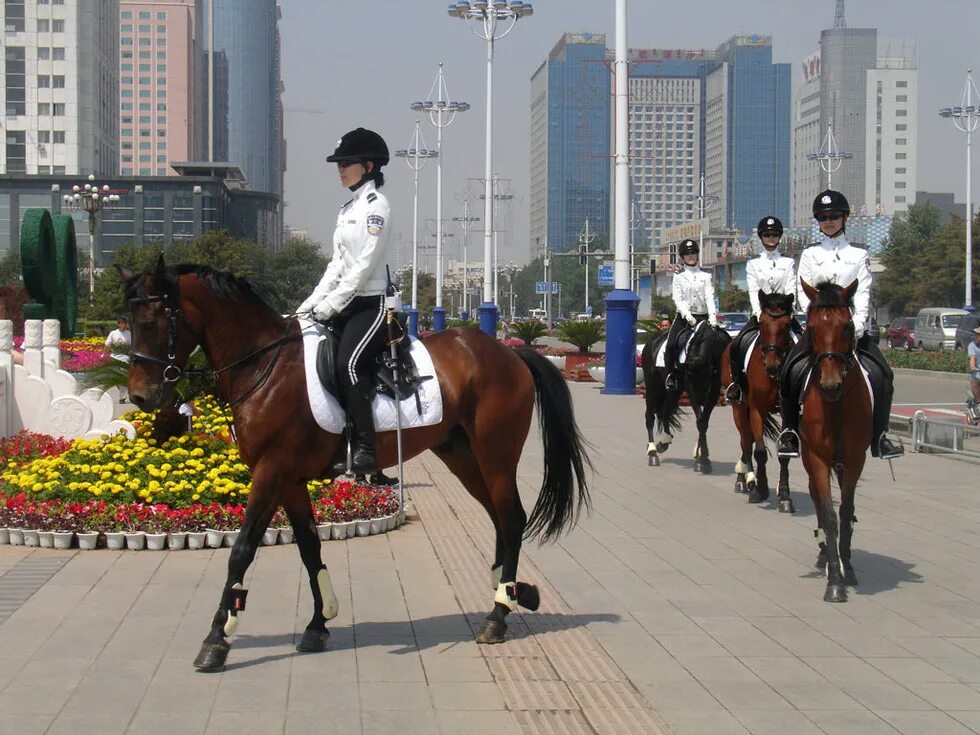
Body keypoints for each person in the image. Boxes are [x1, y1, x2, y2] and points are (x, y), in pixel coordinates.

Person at [776, 189, 903, 460]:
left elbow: (864, 291)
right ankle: (789, 432)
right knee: (789, 372)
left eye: (834, 216)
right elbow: (802, 292)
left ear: (844, 218)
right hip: (819, 331)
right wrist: (813, 321)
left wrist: (856, 324)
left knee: (883, 375)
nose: (829, 221)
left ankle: (880, 435)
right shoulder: (810, 255)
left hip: (850, 330)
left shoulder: (858, 254)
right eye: (823, 217)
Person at [298, 127, 392, 476]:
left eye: (346, 163)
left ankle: (366, 449)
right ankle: (336, 441)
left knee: (347, 366)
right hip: (344, 304)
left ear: (368, 166)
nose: (340, 169)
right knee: (314, 360)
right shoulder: (347, 208)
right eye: (339, 163)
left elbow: (364, 266)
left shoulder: (375, 207)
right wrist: (308, 306)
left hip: (371, 305)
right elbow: (336, 265)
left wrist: (331, 305)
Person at [724, 216, 799, 404]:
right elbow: (753, 290)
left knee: (805, 341)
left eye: (774, 234)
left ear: (780, 237)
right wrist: (759, 314)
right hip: (763, 315)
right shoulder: (753, 264)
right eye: (767, 235)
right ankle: (737, 386)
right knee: (737, 345)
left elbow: (791, 288)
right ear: (761, 237)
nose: (771, 238)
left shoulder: (788, 262)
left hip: (783, 315)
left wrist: (789, 311)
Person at [664, 239, 718, 391]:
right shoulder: (679, 276)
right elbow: (677, 298)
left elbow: (709, 297)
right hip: (684, 318)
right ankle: (671, 375)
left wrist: (713, 317)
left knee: (720, 342)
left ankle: (720, 377)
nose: (691, 256)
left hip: (702, 317)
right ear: (682, 257)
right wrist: (688, 315)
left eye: (693, 253)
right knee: (671, 344)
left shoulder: (705, 276)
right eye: (687, 254)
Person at [968, 326, 980, 407]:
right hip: (977, 372)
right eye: (975, 335)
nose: (976, 336)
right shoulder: (972, 345)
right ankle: (979, 404)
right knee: (975, 382)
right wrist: (972, 367)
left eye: (978, 335)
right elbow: (972, 358)